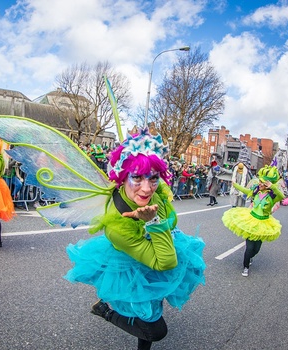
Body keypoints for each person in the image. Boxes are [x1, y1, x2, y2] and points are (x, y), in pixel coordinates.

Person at [64, 128, 205, 349]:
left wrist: (156, 221)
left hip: (156, 251)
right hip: (131, 266)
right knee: (156, 330)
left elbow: (173, 219)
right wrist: (154, 222)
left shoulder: (156, 191)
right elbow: (165, 262)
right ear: (122, 177)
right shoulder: (117, 227)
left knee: (151, 305)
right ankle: (106, 312)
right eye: (137, 177)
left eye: (153, 178)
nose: (147, 188)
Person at [222, 165, 284, 277]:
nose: (260, 184)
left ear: (268, 184)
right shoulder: (255, 191)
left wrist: (273, 187)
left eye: (263, 183)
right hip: (251, 220)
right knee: (249, 247)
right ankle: (245, 267)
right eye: (260, 181)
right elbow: (245, 190)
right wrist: (235, 184)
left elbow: (281, 196)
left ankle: (250, 257)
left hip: (263, 223)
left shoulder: (272, 196)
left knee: (256, 249)